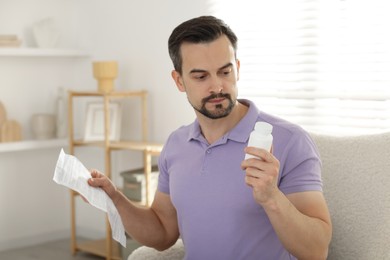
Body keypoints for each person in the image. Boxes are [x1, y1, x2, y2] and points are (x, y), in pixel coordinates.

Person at [88, 15, 332, 260]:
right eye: (201, 77)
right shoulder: (176, 144)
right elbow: (162, 232)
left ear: (237, 68)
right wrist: (114, 199)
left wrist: (271, 198)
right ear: (179, 80)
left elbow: (317, 251)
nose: (217, 87)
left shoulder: (290, 141)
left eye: (225, 72)